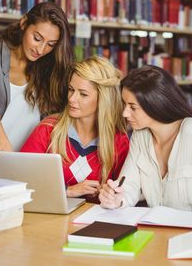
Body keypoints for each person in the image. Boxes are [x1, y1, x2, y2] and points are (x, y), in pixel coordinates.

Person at [21, 56, 129, 201]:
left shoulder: (119, 141)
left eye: (83, 94)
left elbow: (125, 193)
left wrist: (110, 194)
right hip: (51, 220)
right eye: (71, 90)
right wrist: (67, 191)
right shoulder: (47, 129)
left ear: (103, 99)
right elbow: (20, 181)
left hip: (96, 220)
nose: (71, 99)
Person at [99, 65, 192, 213]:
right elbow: (128, 186)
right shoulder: (140, 136)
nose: (124, 113)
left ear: (155, 103)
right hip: (158, 232)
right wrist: (114, 198)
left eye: (133, 107)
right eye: (125, 105)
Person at [0, 2, 73, 151]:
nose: (41, 49)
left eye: (51, 44)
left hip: (23, 163)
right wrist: (5, 147)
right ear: (24, 23)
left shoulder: (50, 68)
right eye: (37, 38)